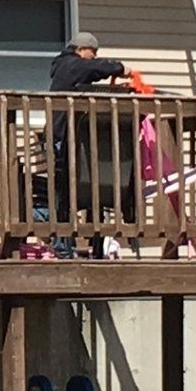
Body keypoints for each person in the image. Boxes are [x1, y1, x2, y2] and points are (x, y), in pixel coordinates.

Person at [49, 33, 134, 255]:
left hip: (65, 135)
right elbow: (93, 69)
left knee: (74, 191)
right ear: (81, 49)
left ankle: (73, 246)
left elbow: (90, 73)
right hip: (63, 135)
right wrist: (119, 68)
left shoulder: (65, 66)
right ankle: (62, 247)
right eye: (92, 53)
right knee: (67, 192)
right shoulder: (70, 64)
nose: (94, 57)